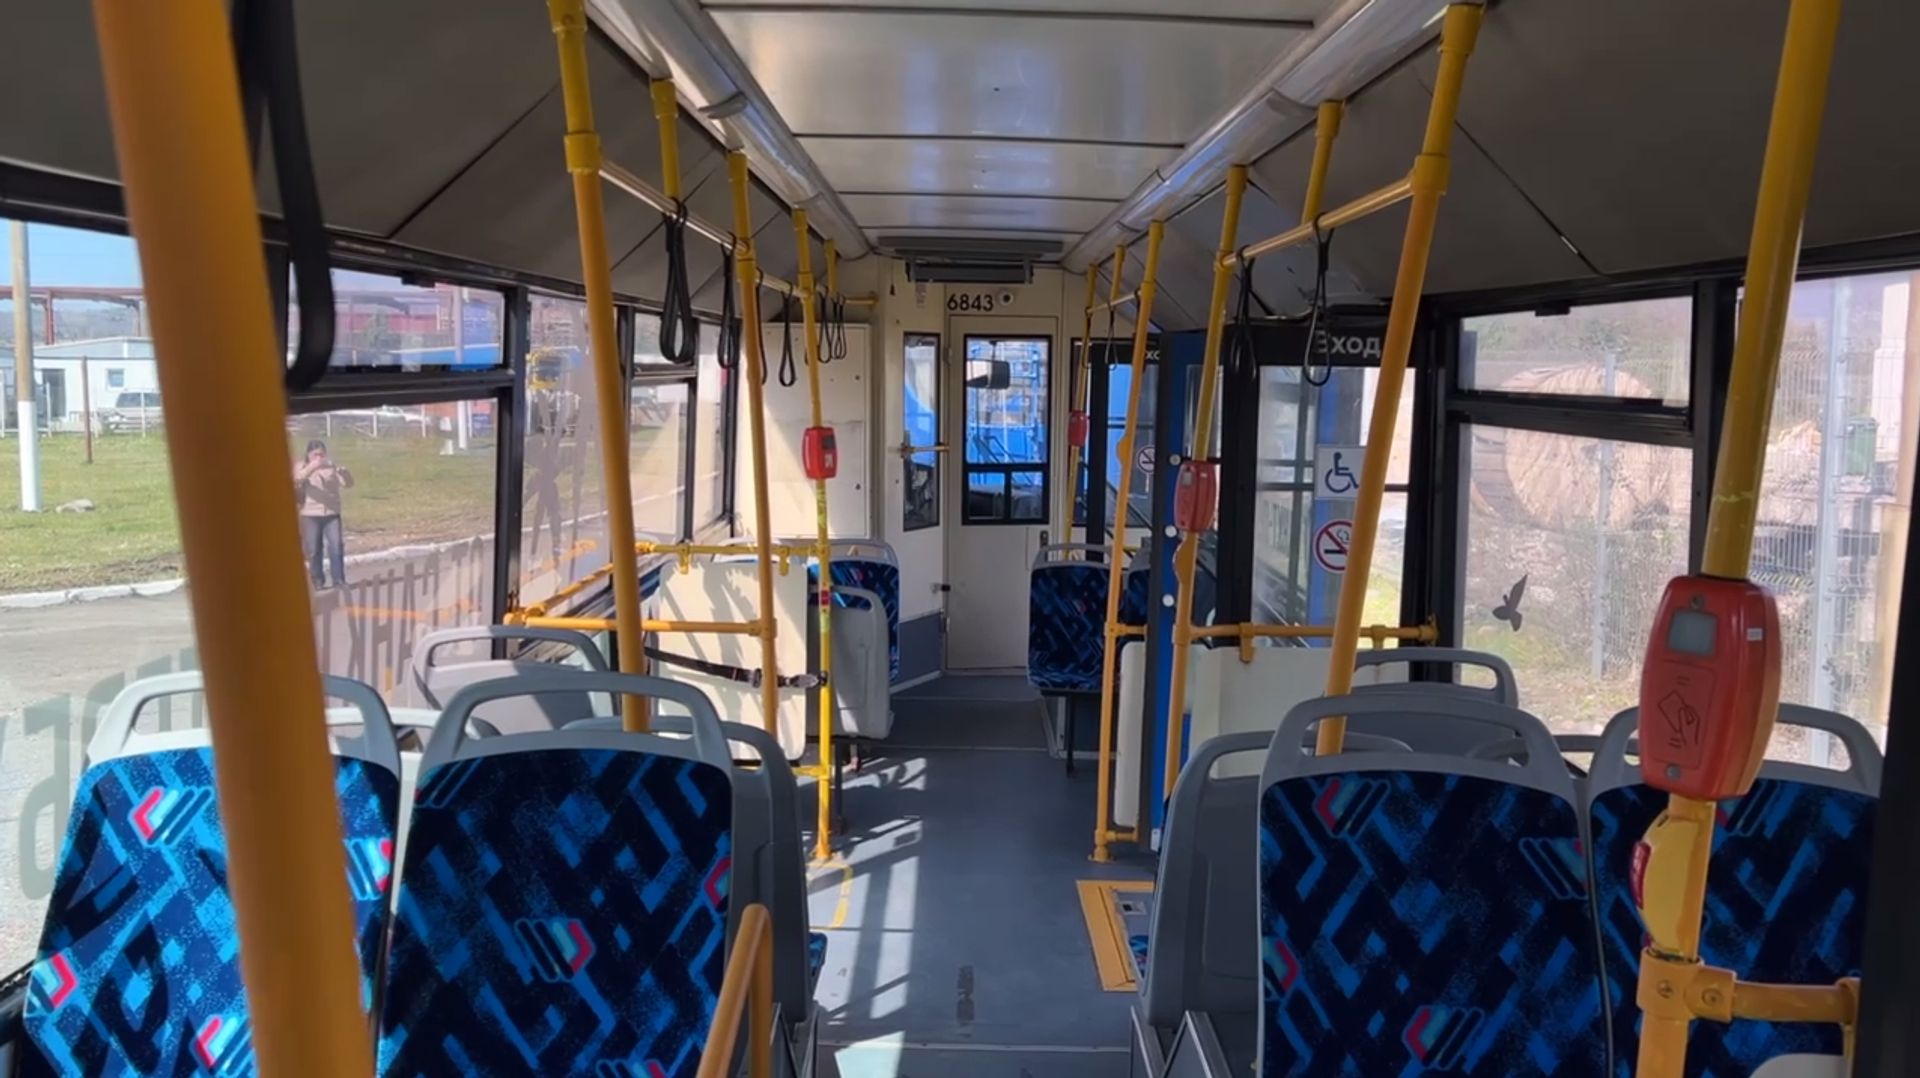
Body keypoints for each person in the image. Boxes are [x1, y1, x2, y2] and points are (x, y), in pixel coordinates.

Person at [294, 438, 354, 588]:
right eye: (315, 455)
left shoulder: (331, 467)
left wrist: (344, 473)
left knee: (336, 546)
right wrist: (312, 467)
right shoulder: (302, 467)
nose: (319, 458)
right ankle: (317, 580)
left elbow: (348, 484)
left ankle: (339, 580)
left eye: (321, 454)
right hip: (310, 514)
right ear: (308, 455)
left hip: (331, 513)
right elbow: (297, 479)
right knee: (314, 549)